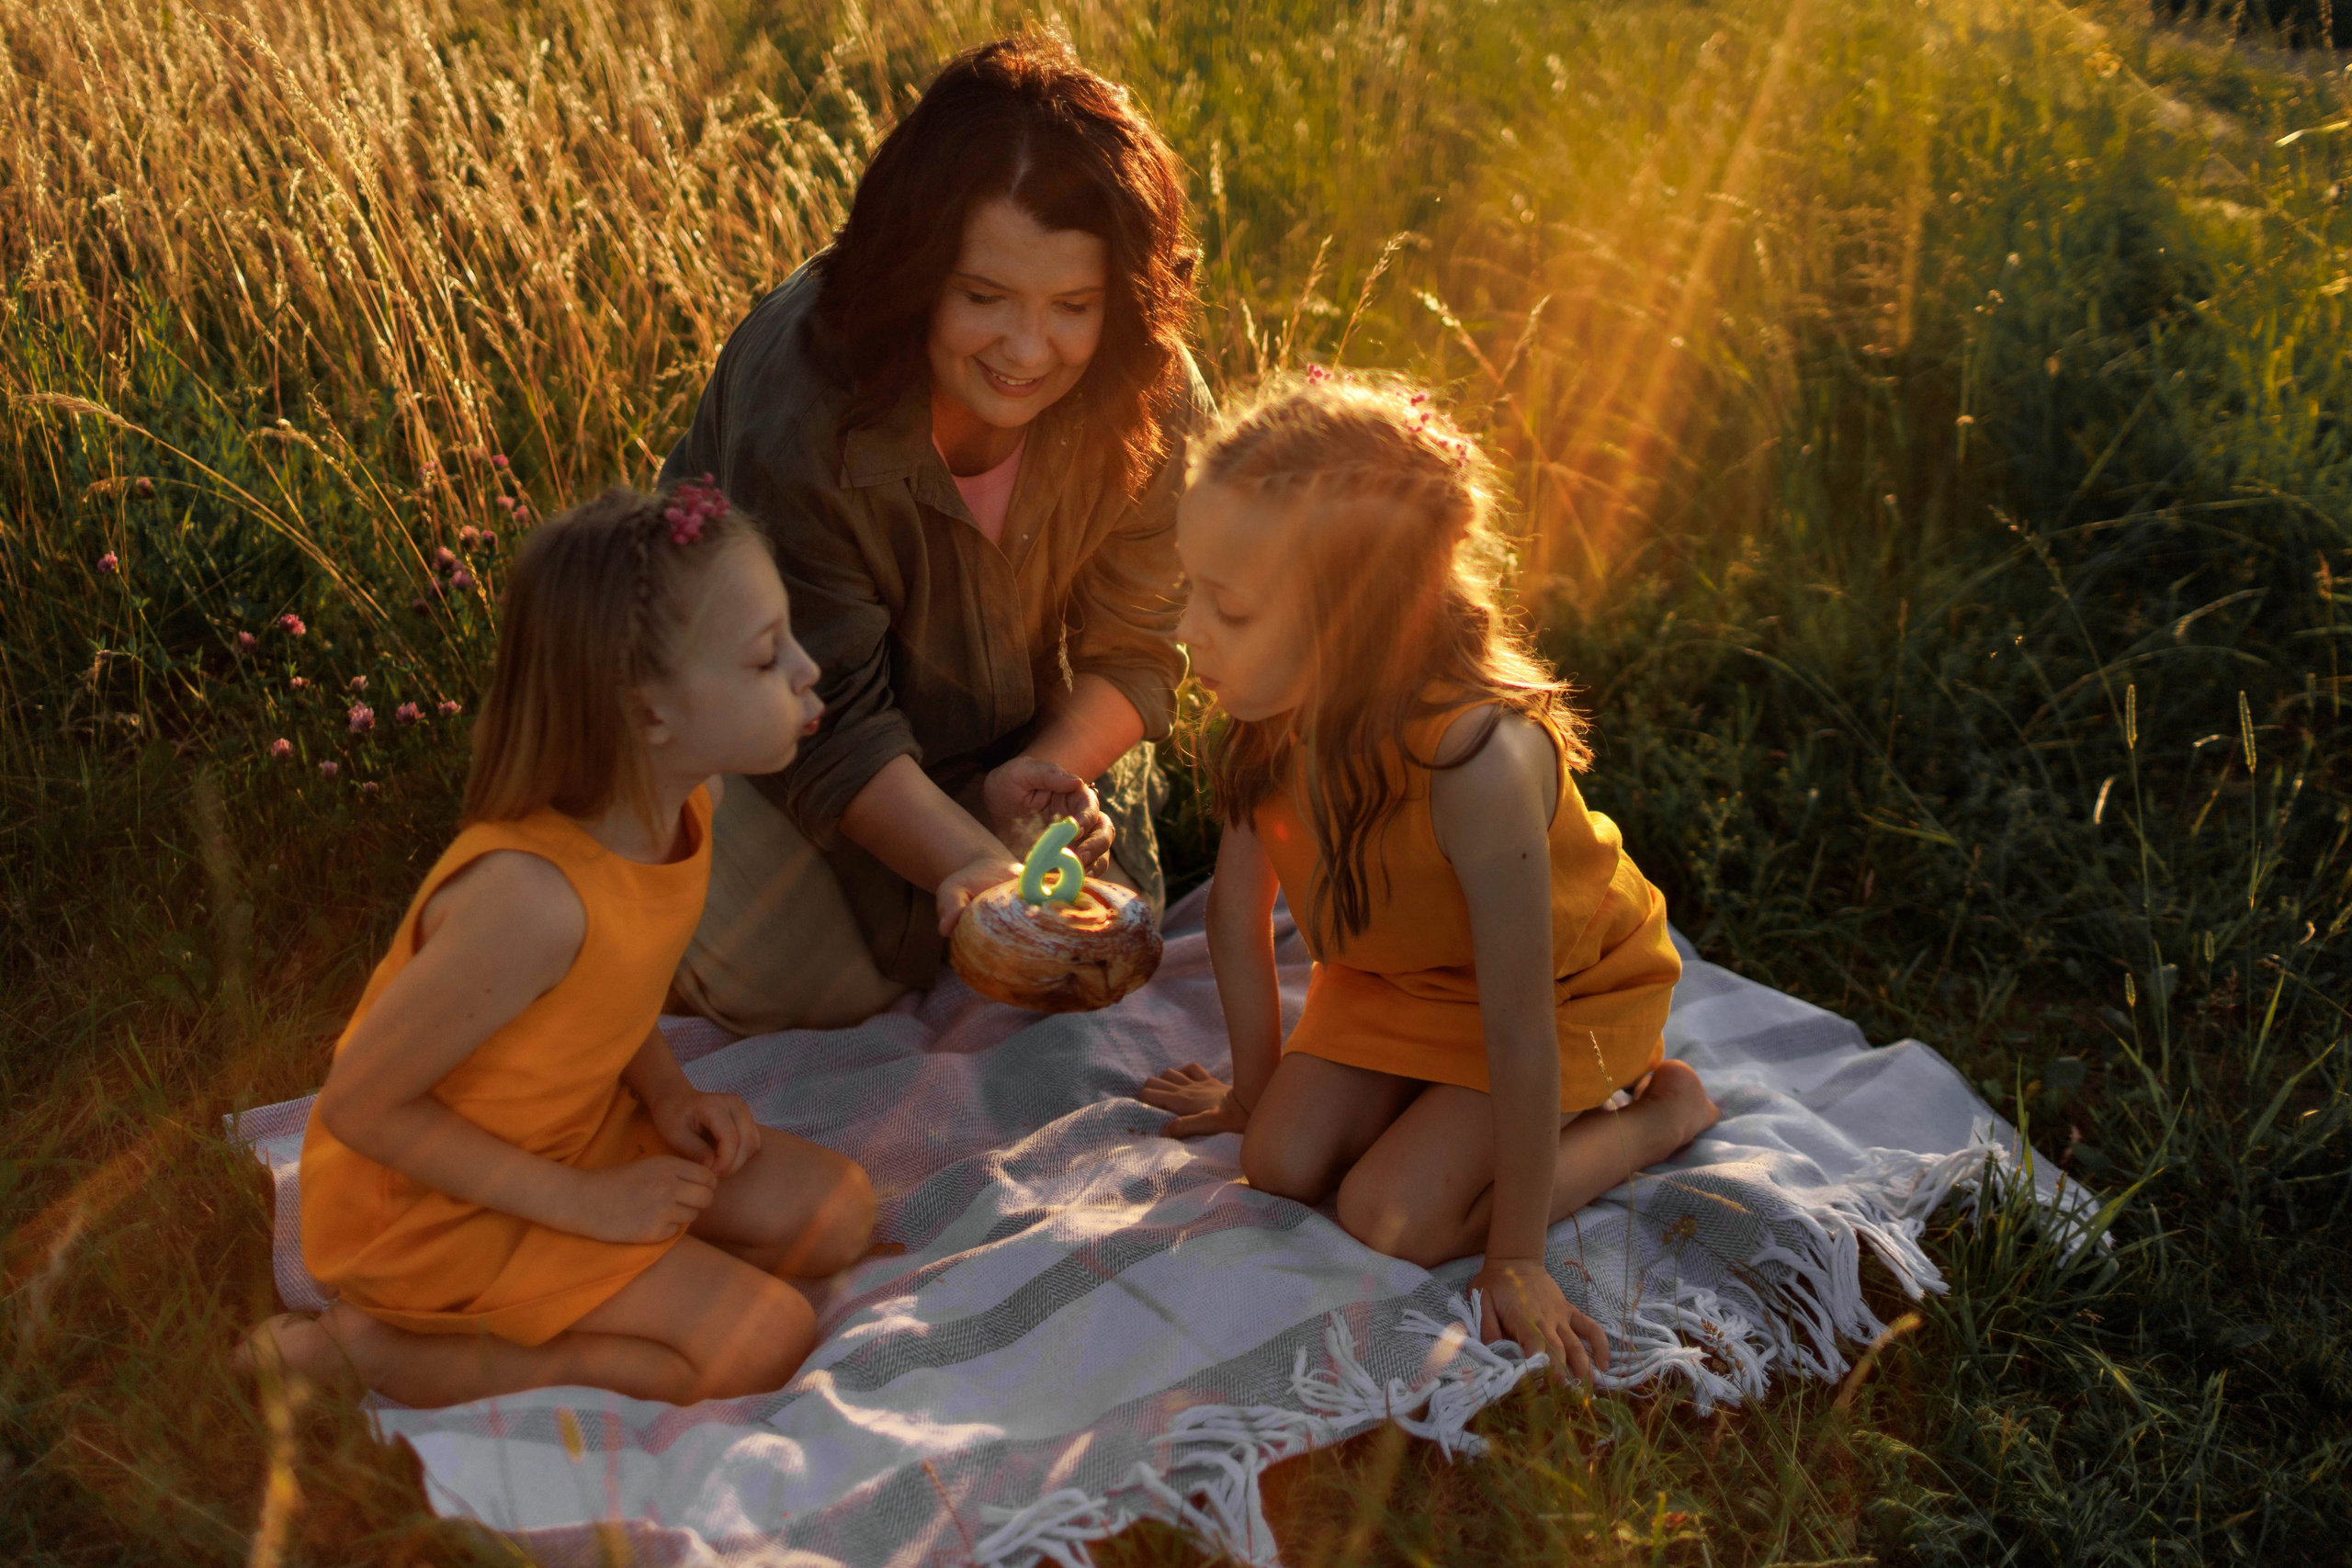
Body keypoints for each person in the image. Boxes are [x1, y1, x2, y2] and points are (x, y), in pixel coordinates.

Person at [1137, 374, 1722, 1386]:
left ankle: (1660, 1116)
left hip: (1555, 995)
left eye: (1224, 606)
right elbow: (1238, 921)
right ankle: (1418, 1114)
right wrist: (1247, 1095)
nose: (1188, 628)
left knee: (1392, 1217)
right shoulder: (1269, 713)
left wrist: (1516, 1256)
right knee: (1276, 1162)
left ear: (1352, 619)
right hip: (1396, 982)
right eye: (1189, 588)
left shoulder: (1477, 761)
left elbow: (1521, 1017)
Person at [243, 483, 882, 1408]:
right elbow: (360, 1106)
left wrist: (669, 1097)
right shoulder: (529, 899)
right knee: (765, 1340)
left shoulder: (688, 800)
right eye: (763, 657)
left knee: (838, 1214)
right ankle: (366, 1351)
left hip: (571, 1137)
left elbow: (610, 998)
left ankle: (622, 1280)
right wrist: (584, 1207)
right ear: (650, 713)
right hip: (440, 1208)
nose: (805, 670)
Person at [657, 33, 1211, 1035]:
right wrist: (970, 863)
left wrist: (1039, 778)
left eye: (1072, 307)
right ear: (915, 272)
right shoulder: (804, 396)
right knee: (810, 997)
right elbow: (823, 714)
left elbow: (1139, 647)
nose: (1026, 351)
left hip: (1015, 739)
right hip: (773, 731)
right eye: (984, 298)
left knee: (1103, 943)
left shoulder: (1147, 384)